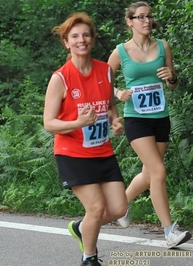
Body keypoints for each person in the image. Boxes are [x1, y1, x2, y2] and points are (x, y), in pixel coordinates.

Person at [44, 12, 127, 266]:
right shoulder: (61, 78)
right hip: (72, 153)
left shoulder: (105, 70)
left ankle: (81, 228)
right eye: (75, 36)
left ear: (92, 39)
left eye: (86, 35)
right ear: (66, 42)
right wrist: (77, 123)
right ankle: (89, 257)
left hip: (102, 151)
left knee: (119, 209)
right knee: (96, 208)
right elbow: (49, 123)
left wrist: (114, 120)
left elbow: (109, 105)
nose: (82, 40)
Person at [107, 1, 191, 248]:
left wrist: (172, 78)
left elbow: (172, 84)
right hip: (136, 119)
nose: (146, 21)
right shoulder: (120, 51)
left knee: (148, 173)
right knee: (159, 172)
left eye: (149, 17)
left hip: (160, 118)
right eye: (140, 17)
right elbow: (101, 83)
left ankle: (119, 206)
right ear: (129, 21)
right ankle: (169, 232)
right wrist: (118, 92)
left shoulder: (163, 46)